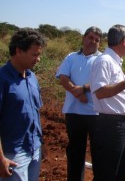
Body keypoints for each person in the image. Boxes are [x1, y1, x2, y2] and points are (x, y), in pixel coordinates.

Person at [89, 24, 125, 181]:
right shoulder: (104, 61)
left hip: (119, 125)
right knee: (107, 173)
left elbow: (111, 92)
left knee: (120, 171)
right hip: (110, 126)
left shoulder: (114, 61)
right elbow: (100, 92)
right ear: (124, 40)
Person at [55, 26, 102, 181]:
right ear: (84, 38)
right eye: (90, 38)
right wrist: (76, 92)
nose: (93, 42)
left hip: (96, 113)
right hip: (73, 112)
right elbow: (63, 77)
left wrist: (82, 89)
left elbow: (102, 83)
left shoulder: (102, 59)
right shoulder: (71, 57)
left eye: (97, 39)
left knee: (98, 153)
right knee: (75, 152)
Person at [0, 29, 47, 181]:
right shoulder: (2, 79)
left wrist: (41, 144)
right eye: (35, 54)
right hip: (13, 153)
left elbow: (35, 114)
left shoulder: (32, 77)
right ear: (18, 51)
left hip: (34, 148)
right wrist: (1, 158)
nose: (38, 59)